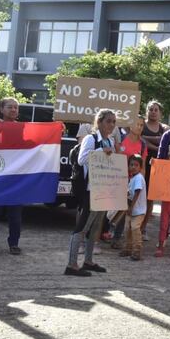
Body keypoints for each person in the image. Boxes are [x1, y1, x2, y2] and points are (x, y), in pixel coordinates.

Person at [65, 108, 117, 276]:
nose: (111, 125)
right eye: (108, 121)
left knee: (95, 228)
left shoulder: (109, 141)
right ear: (99, 122)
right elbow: (81, 159)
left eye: (114, 122)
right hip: (90, 190)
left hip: (103, 188)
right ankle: (71, 265)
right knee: (83, 226)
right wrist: (102, 152)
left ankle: (88, 261)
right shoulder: (90, 139)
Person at [0, 98, 25, 255]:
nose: (14, 110)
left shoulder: (21, 127)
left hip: (15, 177)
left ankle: (14, 244)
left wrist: (54, 130)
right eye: (10, 107)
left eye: (16, 107)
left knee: (15, 214)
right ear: (1, 109)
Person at [113, 116, 148, 248]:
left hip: (133, 183)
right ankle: (107, 234)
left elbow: (143, 166)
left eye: (141, 125)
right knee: (114, 209)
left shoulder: (143, 144)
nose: (139, 127)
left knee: (127, 208)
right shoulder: (121, 139)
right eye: (137, 124)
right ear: (130, 125)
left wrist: (141, 182)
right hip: (119, 179)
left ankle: (118, 239)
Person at [141, 100, 169, 241]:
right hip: (141, 164)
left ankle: (143, 229)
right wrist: (156, 144)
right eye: (150, 109)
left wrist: (147, 140)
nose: (153, 112)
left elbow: (164, 140)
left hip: (156, 167)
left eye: (156, 110)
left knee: (150, 199)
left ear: (160, 113)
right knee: (137, 196)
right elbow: (140, 139)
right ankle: (132, 227)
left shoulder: (164, 128)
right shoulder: (141, 125)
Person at [122, 154, 147, 261]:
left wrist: (131, 207)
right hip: (130, 209)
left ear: (140, 167)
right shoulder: (132, 178)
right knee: (127, 229)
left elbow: (137, 192)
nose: (133, 167)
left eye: (136, 165)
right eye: (131, 165)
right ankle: (128, 248)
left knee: (135, 228)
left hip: (138, 210)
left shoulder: (139, 178)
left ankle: (137, 250)